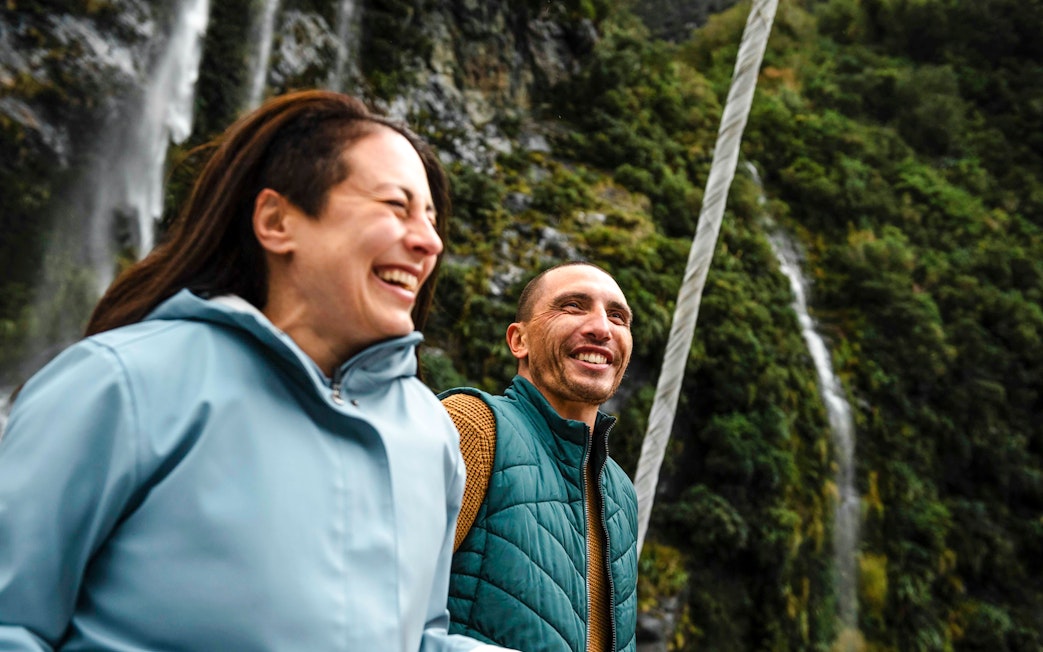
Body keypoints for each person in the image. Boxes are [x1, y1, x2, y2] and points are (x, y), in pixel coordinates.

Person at [0, 90, 511, 652]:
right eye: (396, 206)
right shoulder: (119, 385)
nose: (429, 241)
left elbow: (417, 639)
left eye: (432, 218)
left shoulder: (429, 434)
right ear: (276, 221)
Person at [441, 261, 640, 652]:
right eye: (572, 306)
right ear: (519, 340)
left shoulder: (621, 491)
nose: (602, 328)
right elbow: (377, 602)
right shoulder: (474, 426)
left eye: (617, 316)